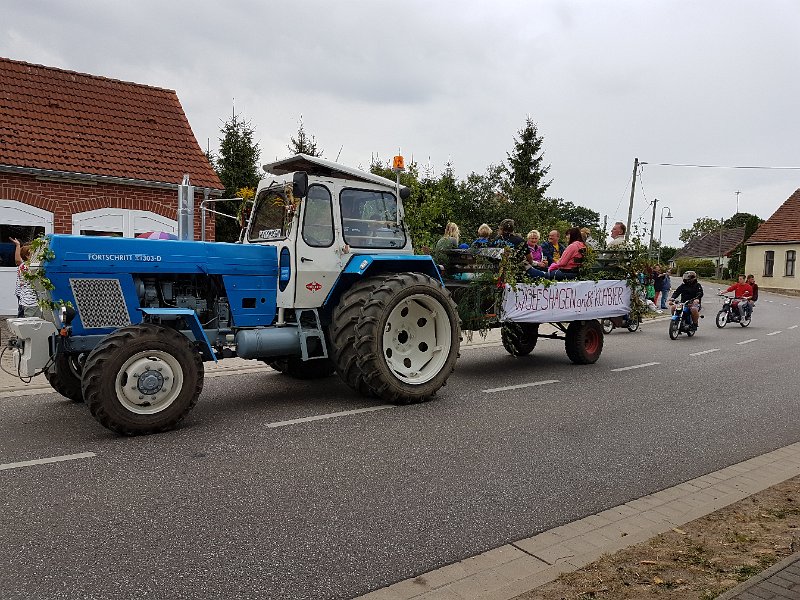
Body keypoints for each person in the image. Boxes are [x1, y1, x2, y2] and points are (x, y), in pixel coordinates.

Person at [11, 237, 41, 318]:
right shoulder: (28, 267)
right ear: (27, 256)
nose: (36, 255)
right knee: (29, 321)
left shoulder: (23, 265)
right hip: (30, 301)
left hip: (26, 299)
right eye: (33, 253)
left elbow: (18, 260)